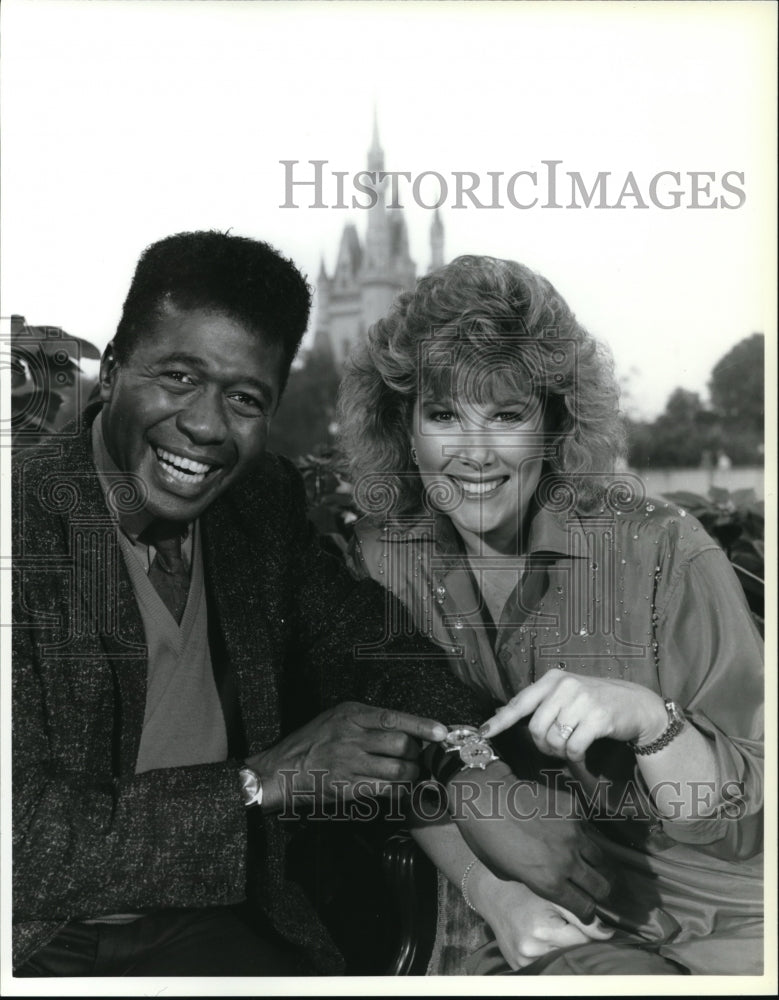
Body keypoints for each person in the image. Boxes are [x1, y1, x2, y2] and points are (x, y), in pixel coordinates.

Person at [12, 233, 609, 978]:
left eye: (243, 399)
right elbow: (23, 844)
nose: (203, 424)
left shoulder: (255, 503)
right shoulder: (22, 523)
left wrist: (475, 775)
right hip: (37, 941)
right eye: (177, 376)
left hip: (212, 915)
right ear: (114, 367)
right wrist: (262, 779)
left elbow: (369, 652)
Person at [338, 254, 763, 975]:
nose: (473, 453)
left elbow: (752, 811)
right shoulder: (379, 561)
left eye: (506, 415)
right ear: (403, 427)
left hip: (731, 922)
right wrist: (491, 892)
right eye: (443, 415)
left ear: (555, 423)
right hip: (556, 932)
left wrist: (647, 720)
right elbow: (388, 762)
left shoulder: (659, 547)